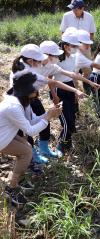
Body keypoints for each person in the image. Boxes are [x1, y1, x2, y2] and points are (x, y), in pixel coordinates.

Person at [10, 44, 87, 163]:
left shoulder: (31, 63)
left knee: (44, 121)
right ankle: (32, 156)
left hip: (32, 96)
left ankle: (44, 148)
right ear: (31, 60)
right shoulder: (25, 72)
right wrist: (74, 90)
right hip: (19, 100)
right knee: (26, 129)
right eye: (39, 60)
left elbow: (55, 79)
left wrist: (76, 89)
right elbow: (53, 82)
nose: (41, 61)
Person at [0, 72, 62, 205]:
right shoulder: (14, 106)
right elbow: (30, 130)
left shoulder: (23, 101)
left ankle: (15, 182)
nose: (38, 89)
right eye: (35, 87)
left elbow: (32, 121)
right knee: (26, 153)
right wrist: (48, 117)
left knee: (27, 149)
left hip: (7, 134)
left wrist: (48, 113)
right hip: (2, 137)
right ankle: (10, 189)